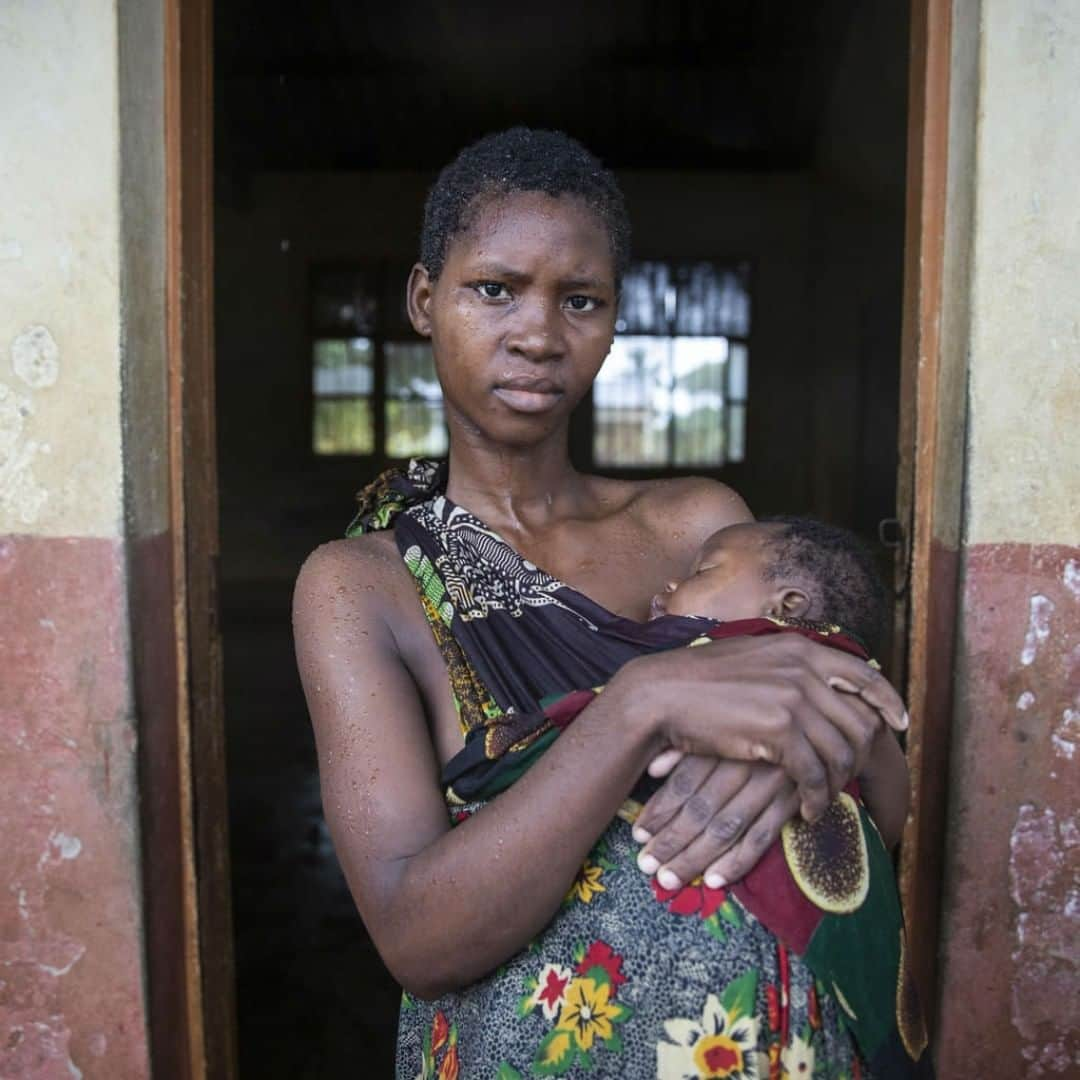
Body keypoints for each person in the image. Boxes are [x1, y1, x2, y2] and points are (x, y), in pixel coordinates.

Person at [293, 128, 921, 1078]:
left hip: (762, 1048)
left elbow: (868, 779)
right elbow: (418, 940)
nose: (539, 335)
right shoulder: (362, 586)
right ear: (426, 300)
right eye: (494, 289)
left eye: (578, 300)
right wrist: (641, 704)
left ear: (614, 317)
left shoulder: (700, 528)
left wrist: (811, 740)